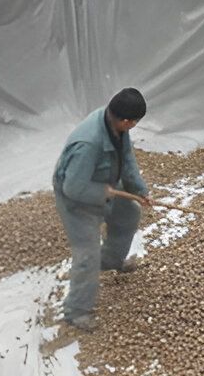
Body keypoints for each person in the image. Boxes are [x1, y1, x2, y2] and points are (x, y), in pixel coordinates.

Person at [52, 88, 152, 331]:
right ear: (127, 120)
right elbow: (73, 187)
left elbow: (126, 158)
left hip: (103, 180)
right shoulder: (89, 143)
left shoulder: (115, 124)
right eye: (135, 123)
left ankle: (111, 260)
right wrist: (103, 192)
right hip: (76, 197)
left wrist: (138, 190)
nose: (134, 126)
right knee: (86, 254)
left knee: (128, 213)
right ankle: (75, 312)